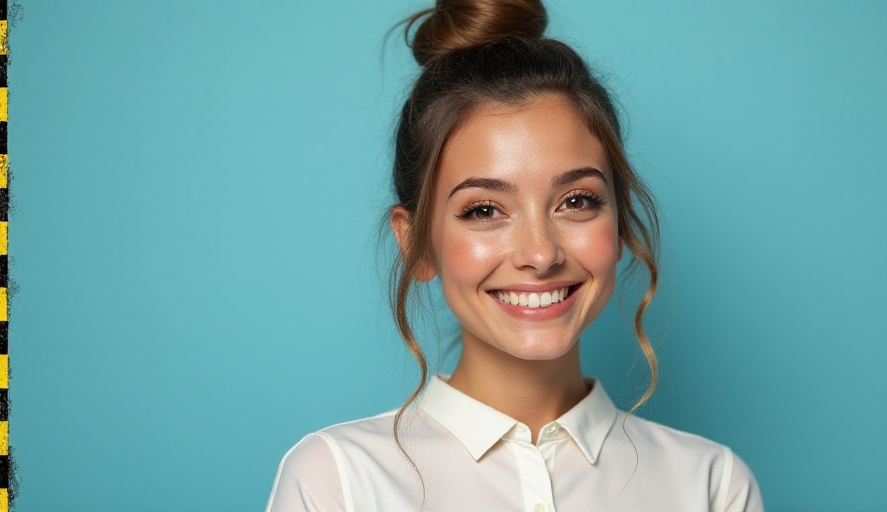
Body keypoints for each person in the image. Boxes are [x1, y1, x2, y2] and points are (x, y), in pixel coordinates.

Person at [265, 0, 764, 510]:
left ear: (619, 221)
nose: (540, 254)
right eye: (484, 210)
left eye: (577, 201)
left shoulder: (712, 484)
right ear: (415, 244)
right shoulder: (338, 480)